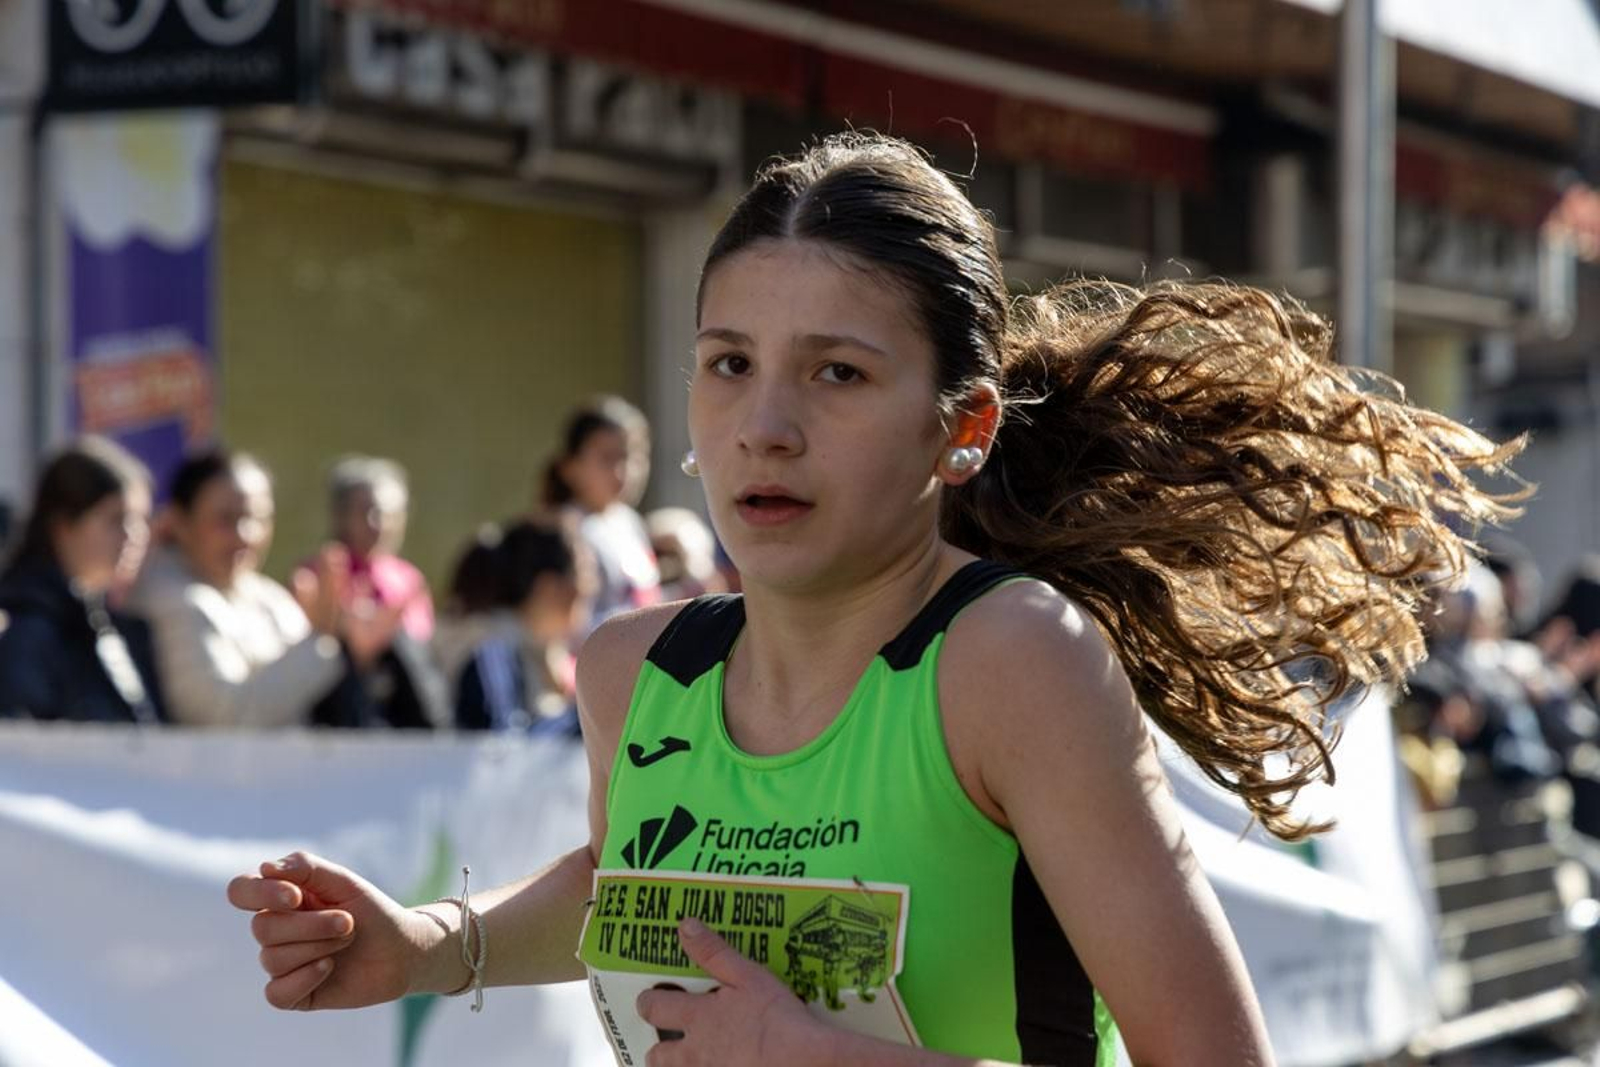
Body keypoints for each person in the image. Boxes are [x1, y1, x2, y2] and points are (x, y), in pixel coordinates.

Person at [227, 133, 1521, 1065]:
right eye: (729, 364)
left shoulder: (1011, 658)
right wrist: (428, 942)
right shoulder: (634, 666)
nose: (767, 425)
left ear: (957, 425)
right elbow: (636, 885)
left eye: (837, 373)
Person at [127, 450, 379, 728]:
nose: (245, 534)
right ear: (180, 522)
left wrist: (350, 648)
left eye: (257, 518)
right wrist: (321, 641)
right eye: (225, 519)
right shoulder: (168, 598)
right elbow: (224, 716)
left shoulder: (270, 596)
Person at [0, 437, 162, 723]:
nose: (133, 536)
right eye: (117, 519)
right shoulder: (27, 627)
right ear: (63, 526)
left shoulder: (103, 620)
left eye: (141, 520)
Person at [453, 520, 588, 736]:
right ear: (548, 587)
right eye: (583, 581)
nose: (590, 592)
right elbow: (501, 745)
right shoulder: (492, 648)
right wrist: (581, 721)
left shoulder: (539, 650)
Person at [540, 396, 661, 634]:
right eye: (607, 458)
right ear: (570, 467)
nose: (622, 471)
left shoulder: (629, 522)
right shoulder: (565, 532)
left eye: (630, 456)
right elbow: (572, 627)